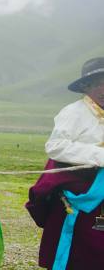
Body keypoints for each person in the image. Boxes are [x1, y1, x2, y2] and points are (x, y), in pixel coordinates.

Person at [26, 57, 104, 269]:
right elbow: (55, 146)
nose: (103, 89)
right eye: (98, 83)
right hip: (77, 195)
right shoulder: (73, 112)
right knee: (77, 250)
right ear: (86, 87)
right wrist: (99, 155)